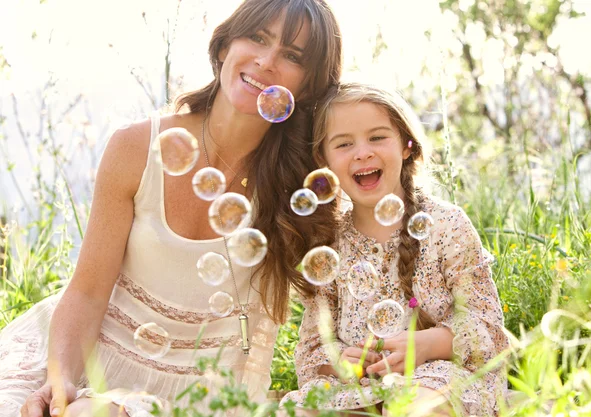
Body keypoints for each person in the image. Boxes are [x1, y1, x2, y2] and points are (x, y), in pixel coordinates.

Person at [0, 1, 342, 416]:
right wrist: (60, 381)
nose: (267, 61)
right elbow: (88, 293)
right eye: (257, 37)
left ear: (307, 87)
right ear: (223, 48)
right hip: (86, 361)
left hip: (207, 394)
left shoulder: (302, 184)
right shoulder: (135, 148)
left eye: (292, 56)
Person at [281, 83, 509, 416]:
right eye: (344, 144)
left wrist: (427, 344)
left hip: (440, 377)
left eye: (377, 137)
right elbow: (315, 349)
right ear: (323, 160)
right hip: (358, 388)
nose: (362, 152)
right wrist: (340, 361)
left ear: (406, 144)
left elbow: (487, 326)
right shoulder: (329, 244)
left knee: (414, 408)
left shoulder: (446, 225)